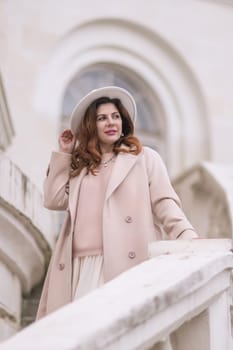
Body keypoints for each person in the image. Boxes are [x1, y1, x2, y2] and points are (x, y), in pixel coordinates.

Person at [36, 86, 198, 320]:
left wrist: (186, 234)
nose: (111, 122)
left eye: (115, 116)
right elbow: (53, 199)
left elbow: (165, 202)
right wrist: (64, 154)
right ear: (91, 125)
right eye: (102, 118)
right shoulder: (81, 168)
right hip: (79, 267)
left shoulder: (144, 158)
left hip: (122, 260)